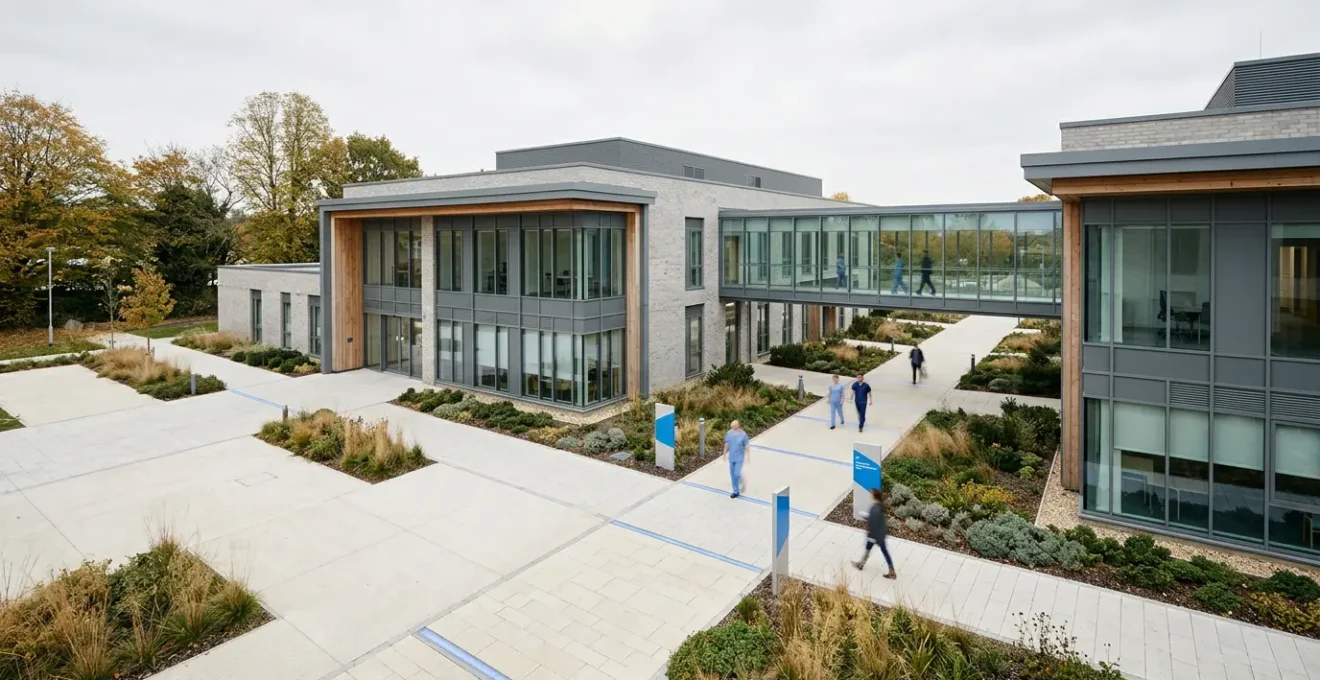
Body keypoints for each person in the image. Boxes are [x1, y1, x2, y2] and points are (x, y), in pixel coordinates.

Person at [852, 488, 897, 579]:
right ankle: (891, 570)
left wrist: (866, 518)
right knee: (881, 551)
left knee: (870, 548)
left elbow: (874, 521)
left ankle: (861, 564)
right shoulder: (879, 506)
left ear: (874, 496)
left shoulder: (876, 507)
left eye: (871, 493)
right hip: (880, 534)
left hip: (874, 535)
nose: (870, 495)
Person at [723, 420, 750, 498]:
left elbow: (747, 446)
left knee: (736, 473)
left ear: (738, 425)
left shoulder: (743, 435)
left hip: (739, 457)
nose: (732, 428)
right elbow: (727, 444)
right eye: (731, 426)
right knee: (732, 474)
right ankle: (736, 491)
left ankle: (741, 481)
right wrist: (724, 454)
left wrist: (748, 456)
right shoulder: (729, 433)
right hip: (731, 457)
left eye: (734, 426)